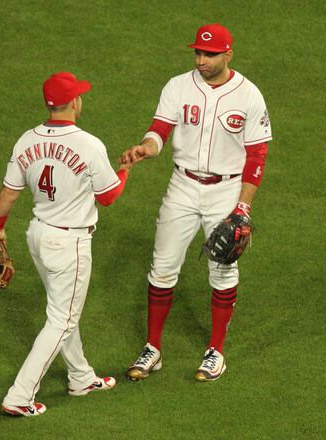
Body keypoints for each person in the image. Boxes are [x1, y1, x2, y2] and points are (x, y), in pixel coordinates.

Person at [119, 24, 272, 382]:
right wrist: (147, 147)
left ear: (228, 54)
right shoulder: (178, 85)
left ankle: (215, 351)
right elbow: (159, 129)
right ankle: (153, 348)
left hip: (226, 190)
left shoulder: (249, 95)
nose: (201, 60)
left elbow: (258, 154)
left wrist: (243, 207)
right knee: (162, 268)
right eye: (198, 53)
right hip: (182, 186)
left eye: (210, 54)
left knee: (221, 270)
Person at [0, 72, 133, 417]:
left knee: (63, 310)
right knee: (62, 320)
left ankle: (80, 377)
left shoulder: (26, 140)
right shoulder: (89, 144)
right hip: (69, 241)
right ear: (75, 103)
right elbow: (109, 196)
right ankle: (20, 396)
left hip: (37, 235)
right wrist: (125, 171)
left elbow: (10, 191)